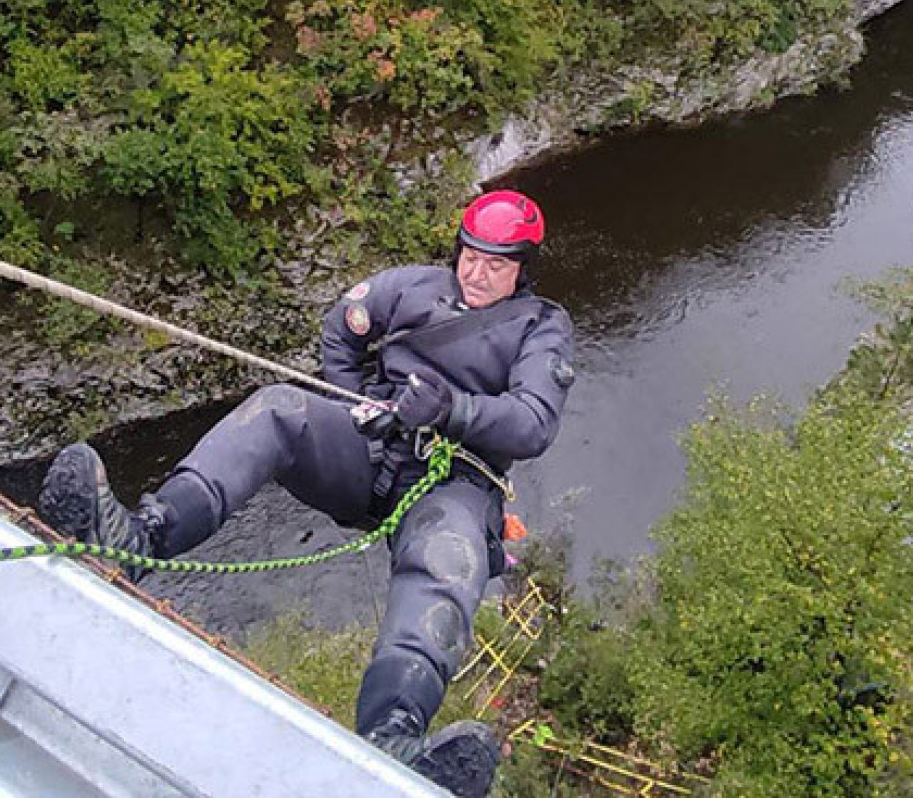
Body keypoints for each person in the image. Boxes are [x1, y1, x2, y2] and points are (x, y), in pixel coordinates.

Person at [37, 189, 575, 797]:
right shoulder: (412, 287)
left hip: (451, 481)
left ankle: (393, 732)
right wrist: (353, 400)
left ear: (522, 269)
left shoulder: (541, 329)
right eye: (470, 256)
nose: (477, 273)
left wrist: (452, 408)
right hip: (370, 451)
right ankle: (141, 536)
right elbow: (342, 329)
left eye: (496, 265)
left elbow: (533, 423)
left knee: (447, 559)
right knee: (277, 410)